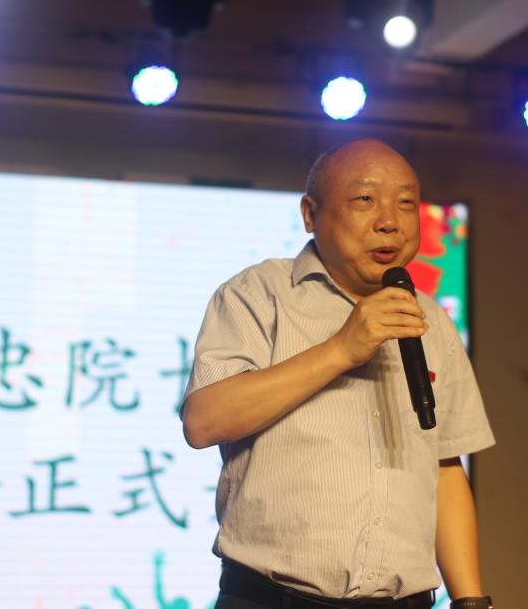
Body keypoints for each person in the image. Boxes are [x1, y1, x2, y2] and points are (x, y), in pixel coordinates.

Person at [181, 139, 495, 609]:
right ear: (311, 214)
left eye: (406, 203)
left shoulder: (431, 319)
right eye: (365, 199)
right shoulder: (259, 294)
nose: (389, 221)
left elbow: (445, 468)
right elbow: (204, 422)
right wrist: (341, 349)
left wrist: (470, 601)